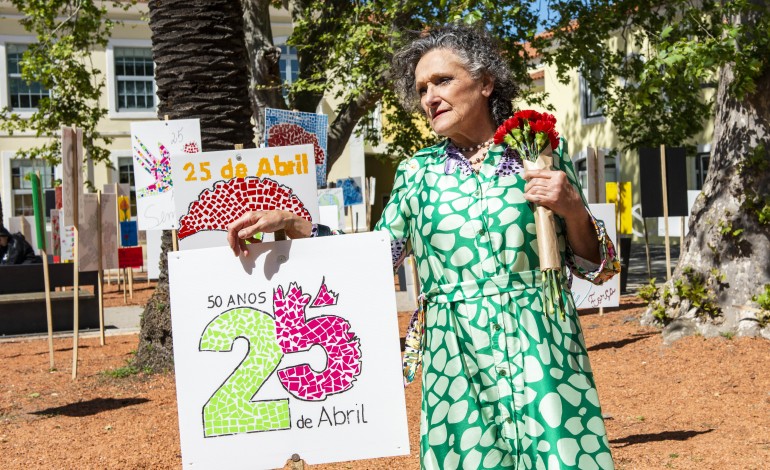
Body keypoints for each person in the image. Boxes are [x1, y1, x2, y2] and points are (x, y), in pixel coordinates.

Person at [227, 23, 620, 470]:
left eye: (442, 81)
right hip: (457, 358)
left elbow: (597, 266)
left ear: (486, 82)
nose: (429, 97)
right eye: (421, 89)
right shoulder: (418, 173)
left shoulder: (538, 152)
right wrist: (293, 222)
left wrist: (572, 207)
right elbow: (374, 259)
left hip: (542, 345)